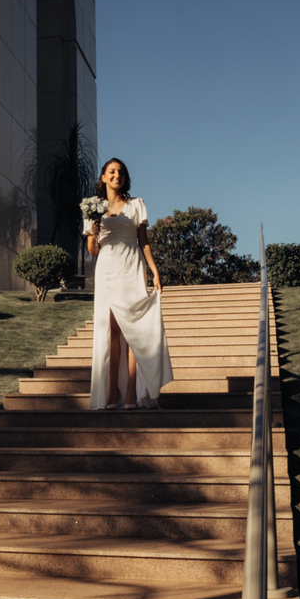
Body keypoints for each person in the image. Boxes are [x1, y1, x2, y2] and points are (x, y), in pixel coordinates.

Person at [83, 158, 174, 410]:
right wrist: (93, 232)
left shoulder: (136, 204)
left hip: (131, 266)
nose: (117, 176)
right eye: (112, 172)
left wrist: (155, 271)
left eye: (121, 172)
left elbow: (144, 241)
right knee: (112, 331)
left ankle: (133, 392)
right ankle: (112, 392)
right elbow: (92, 251)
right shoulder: (92, 208)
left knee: (133, 329)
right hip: (107, 269)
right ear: (103, 177)